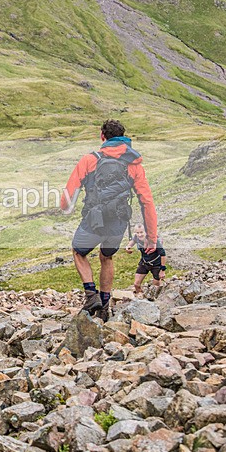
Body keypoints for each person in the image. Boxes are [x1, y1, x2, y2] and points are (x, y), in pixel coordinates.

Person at [61, 119, 158, 321]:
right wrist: (151, 237)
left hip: (94, 220)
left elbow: (67, 200)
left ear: (102, 137)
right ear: (124, 138)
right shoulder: (134, 164)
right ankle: (104, 307)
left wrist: (65, 207)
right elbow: (146, 201)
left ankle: (91, 296)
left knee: (79, 252)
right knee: (107, 257)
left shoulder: (89, 160)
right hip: (118, 222)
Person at [125, 223, 167, 296]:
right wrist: (128, 246)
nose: (139, 235)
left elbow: (163, 255)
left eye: (141, 232)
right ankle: (141, 298)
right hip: (144, 263)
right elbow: (133, 241)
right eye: (137, 233)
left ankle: (155, 301)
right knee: (136, 284)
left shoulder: (154, 240)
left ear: (146, 232)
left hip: (156, 265)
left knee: (155, 288)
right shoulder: (136, 237)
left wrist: (162, 270)